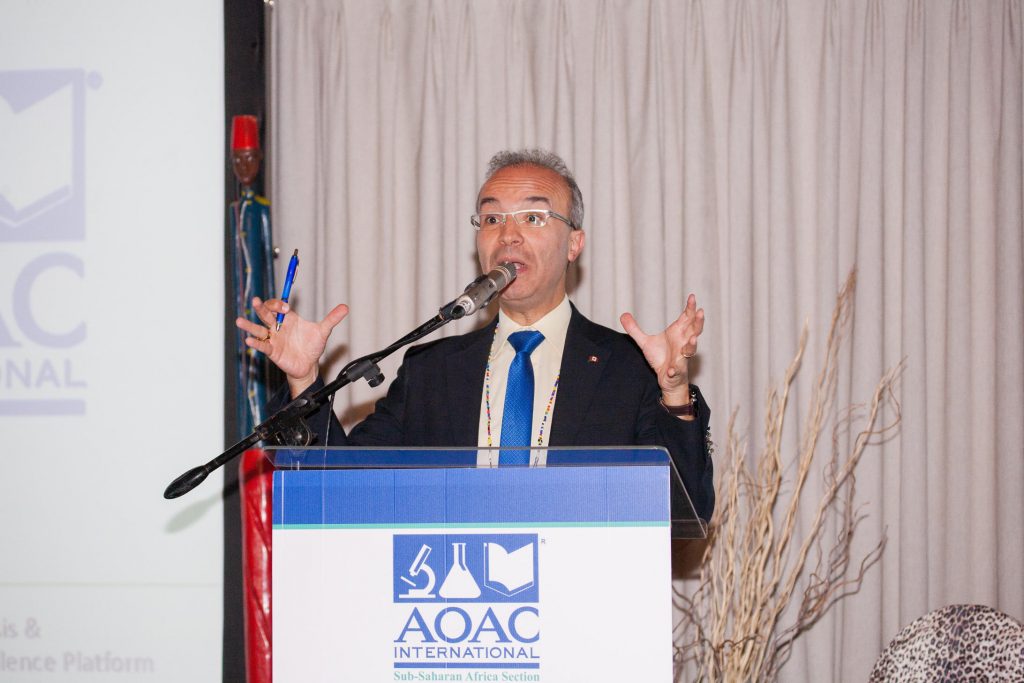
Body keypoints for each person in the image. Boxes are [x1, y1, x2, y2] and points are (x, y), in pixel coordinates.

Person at [237, 149, 714, 520]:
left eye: (533, 217)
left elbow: (685, 508)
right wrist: (304, 381)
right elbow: (341, 493)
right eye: (491, 219)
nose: (508, 235)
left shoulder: (628, 368)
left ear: (574, 243)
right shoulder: (431, 372)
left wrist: (674, 391)